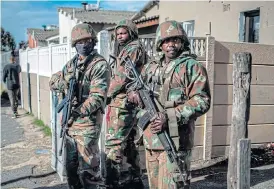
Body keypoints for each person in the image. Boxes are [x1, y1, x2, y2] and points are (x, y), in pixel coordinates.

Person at [127, 20, 211, 189]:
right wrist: (133, 94)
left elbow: (202, 101)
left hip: (175, 142)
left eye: (175, 40)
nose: (170, 44)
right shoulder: (151, 67)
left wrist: (169, 116)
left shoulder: (192, 67)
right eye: (166, 41)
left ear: (182, 42)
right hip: (151, 140)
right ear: (160, 44)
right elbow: (132, 85)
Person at [49, 23, 110, 189]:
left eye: (87, 40)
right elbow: (53, 80)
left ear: (93, 41)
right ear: (74, 44)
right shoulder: (72, 64)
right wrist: (65, 83)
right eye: (80, 41)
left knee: (89, 173)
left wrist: (76, 111)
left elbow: (97, 98)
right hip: (70, 125)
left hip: (87, 125)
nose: (84, 44)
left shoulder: (99, 65)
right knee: (71, 170)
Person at [105, 19, 147, 188]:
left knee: (113, 144)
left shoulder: (133, 48)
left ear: (131, 32)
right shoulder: (126, 48)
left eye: (123, 33)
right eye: (118, 34)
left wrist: (106, 95)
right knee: (129, 142)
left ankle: (111, 183)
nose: (120, 37)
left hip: (123, 102)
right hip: (127, 100)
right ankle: (134, 180)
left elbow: (121, 77)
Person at [2, 51, 21, 118]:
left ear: (9, 59)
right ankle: (16, 110)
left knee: (11, 98)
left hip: (10, 85)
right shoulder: (18, 66)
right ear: (14, 59)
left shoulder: (6, 66)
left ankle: (14, 112)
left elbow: (3, 77)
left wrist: (4, 81)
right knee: (16, 98)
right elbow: (19, 71)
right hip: (17, 84)